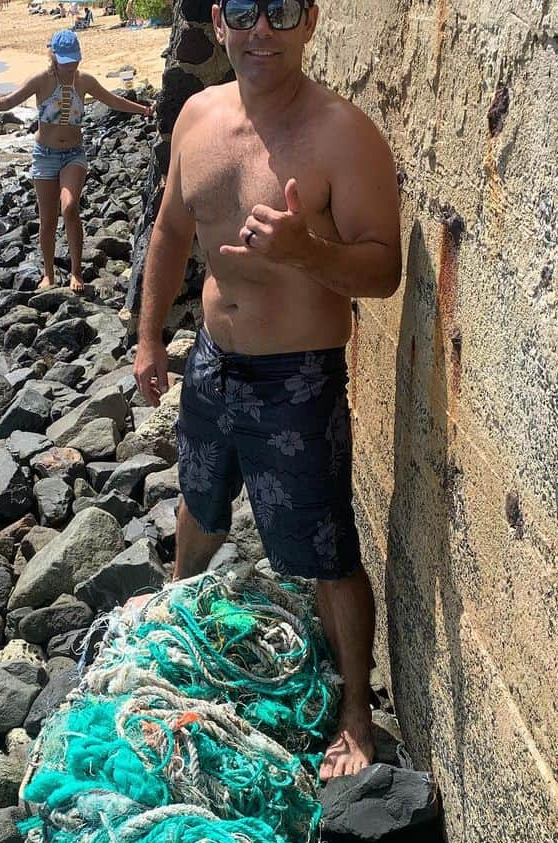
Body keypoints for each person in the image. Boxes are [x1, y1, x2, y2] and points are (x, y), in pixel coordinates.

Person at [133, 0, 402, 780]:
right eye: (245, 10)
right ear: (219, 20)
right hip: (213, 360)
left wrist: (306, 249)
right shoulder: (197, 115)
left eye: (280, 11)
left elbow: (383, 270)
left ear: (310, 22)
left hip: (297, 378)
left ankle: (355, 709)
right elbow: (169, 231)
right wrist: (151, 337)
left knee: (324, 551)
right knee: (198, 499)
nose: (261, 31)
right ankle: (177, 615)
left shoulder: (342, 134)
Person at [0, 29, 153, 292]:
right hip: (44, 155)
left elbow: (112, 100)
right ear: (54, 58)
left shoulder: (84, 81)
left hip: (74, 153)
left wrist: (143, 109)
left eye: (74, 60)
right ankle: (48, 274)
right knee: (48, 218)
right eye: (66, 61)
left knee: (70, 206)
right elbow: (9, 102)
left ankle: (77, 272)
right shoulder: (41, 80)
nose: (71, 66)